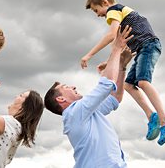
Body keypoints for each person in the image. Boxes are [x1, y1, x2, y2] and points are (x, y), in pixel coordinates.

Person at [81, 0, 165, 145]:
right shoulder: (122, 14)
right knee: (128, 85)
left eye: (96, 10)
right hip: (142, 48)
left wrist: (89, 54)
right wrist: (110, 61)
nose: (98, 14)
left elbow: (111, 36)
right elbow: (119, 44)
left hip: (149, 45)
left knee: (143, 82)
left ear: (105, 3)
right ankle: (151, 116)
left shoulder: (114, 10)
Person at [44, 25, 134, 168]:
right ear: (61, 99)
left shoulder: (87, 113)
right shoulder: (73, 113)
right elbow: (107, 85)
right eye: (66, 87)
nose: (73, 86)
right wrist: (116, 48)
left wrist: (122, 67)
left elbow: (115, 98)